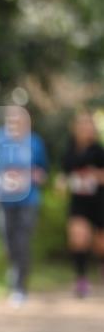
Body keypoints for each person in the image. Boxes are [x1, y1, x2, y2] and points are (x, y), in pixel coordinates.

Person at [0, 105, 49, 307]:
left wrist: (37, 175)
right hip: (3, 199)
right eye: (13, 119)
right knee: (8, 242)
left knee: (22, 241)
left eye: (20, 119)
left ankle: (19, 288)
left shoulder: (35, 142)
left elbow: (43, 170)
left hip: (29, 200)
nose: (16, 122)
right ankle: (14, 276)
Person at [57, 110, 104, 297]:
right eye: (82, 125)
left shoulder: (99, 152)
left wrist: (94, 176)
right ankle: (81, 279)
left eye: (88, 125)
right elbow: (64, 175)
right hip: (79, 203)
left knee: (100, 244)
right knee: (78, 237)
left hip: (99, 202)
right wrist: (62, 183)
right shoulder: (69, 153)